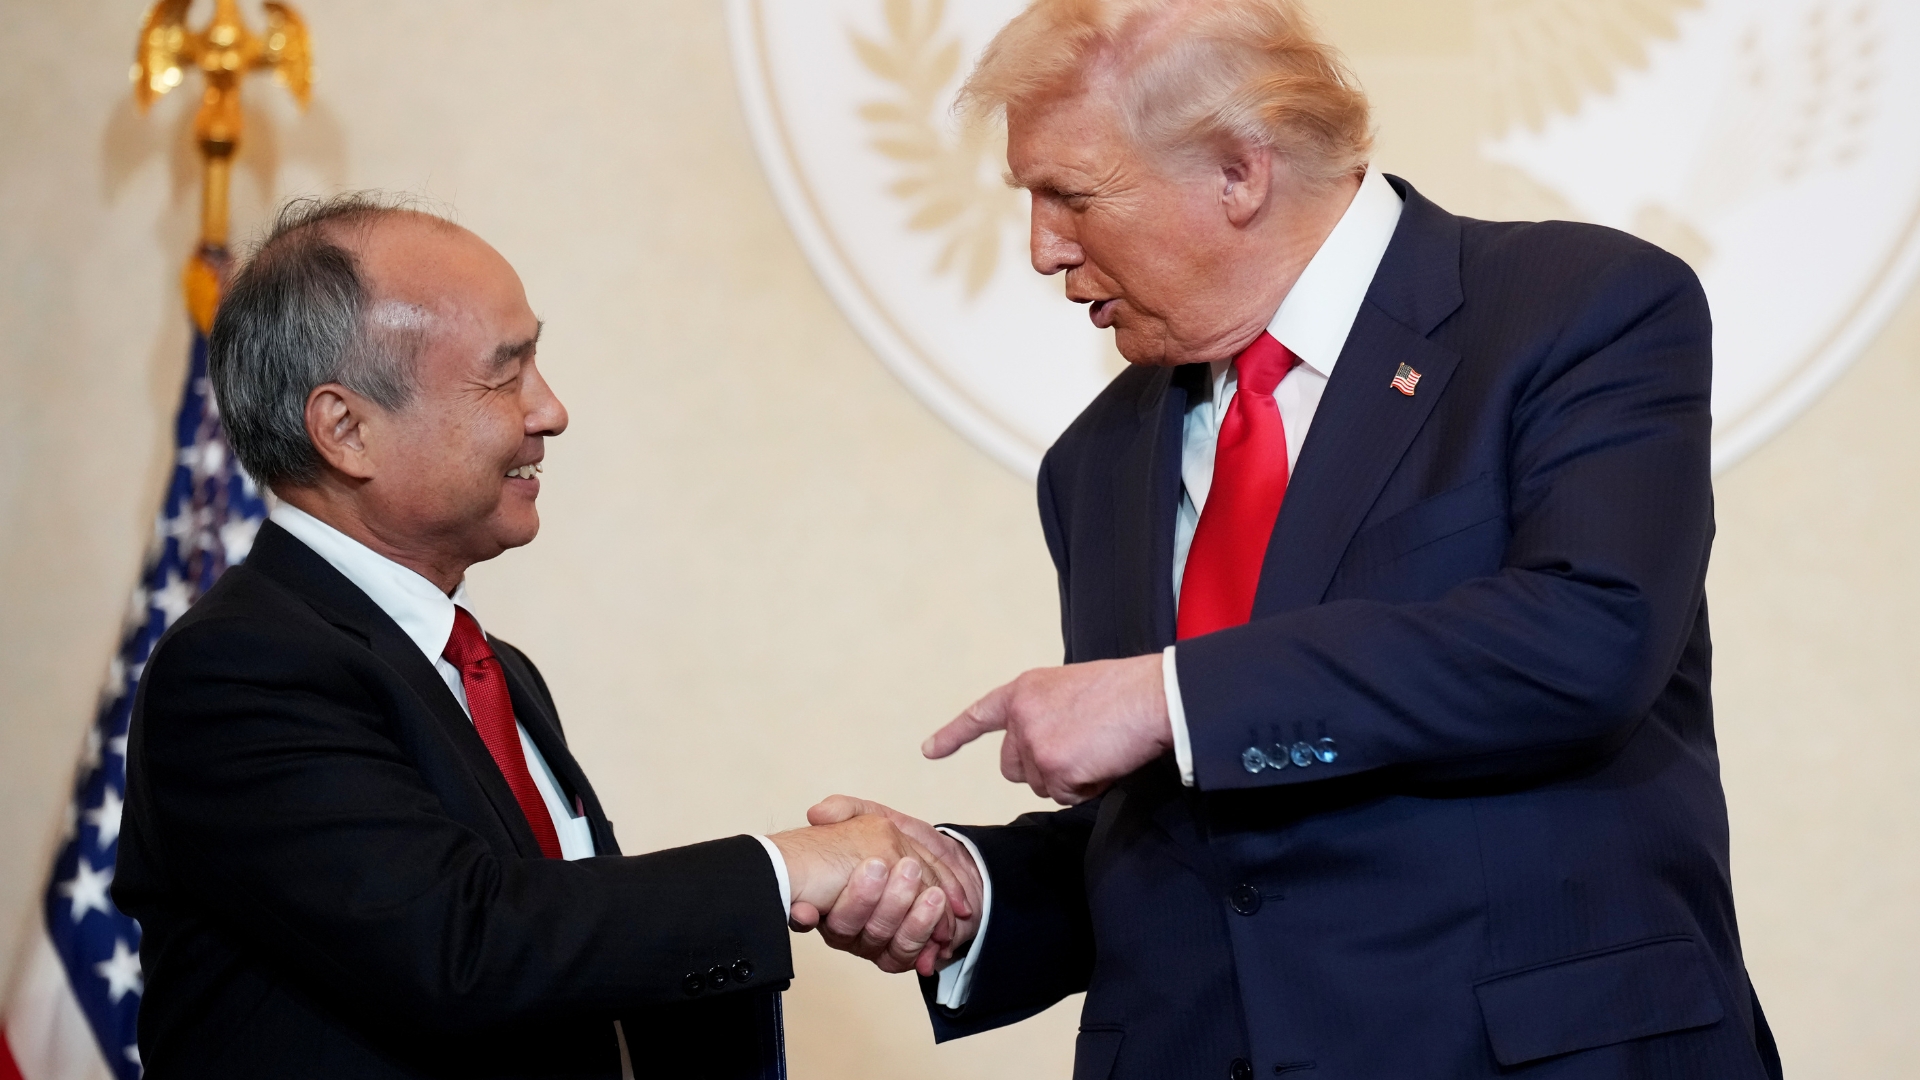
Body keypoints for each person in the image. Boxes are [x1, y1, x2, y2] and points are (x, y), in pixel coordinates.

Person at [805, 1, 1787, 1077]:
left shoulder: (1579, 309)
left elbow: (1587, 637)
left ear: (1239, 170)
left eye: (1069, 195)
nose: (1042, 248)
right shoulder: (1095, 462)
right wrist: (965, 895)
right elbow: (1200, 818)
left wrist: (1158, 694)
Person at [112, 195, 968, 1079]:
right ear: (345, 429)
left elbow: (569, 973)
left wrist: (814, 893)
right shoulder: (241, 671)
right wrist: (786, 871)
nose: (551, 412)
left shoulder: (489, 672)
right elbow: (462, 947)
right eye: (503, 375)